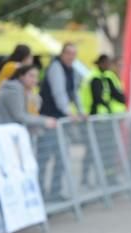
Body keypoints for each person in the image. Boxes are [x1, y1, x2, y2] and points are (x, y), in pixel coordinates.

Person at [37, 42, 84, 201]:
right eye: (69, 53)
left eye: (74, 54)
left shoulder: (72, 71)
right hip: (50, 118)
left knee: (61, 156)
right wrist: (69, 112)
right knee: (45, 157)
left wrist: (81, 111)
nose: (71, 57)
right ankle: (40, 191)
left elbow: (74, 92)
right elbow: (59, 93)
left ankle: (55, 192)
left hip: (61, 120)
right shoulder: (56, 68)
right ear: (62, 54)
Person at [79, 54, 126, 186]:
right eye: (106, 63)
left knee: (107, 149)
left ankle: (107, 178)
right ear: (99, 63)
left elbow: (115, 95)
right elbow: (98, 98)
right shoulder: (94, 78)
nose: (108, 66)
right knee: (92, 149)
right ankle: (85, 178)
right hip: (93, 120)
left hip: (103, 120)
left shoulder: (105, 77)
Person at [0, 65, 57, 130]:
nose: (35, 80)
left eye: (36, 77)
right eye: (31, 76)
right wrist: (44, 121)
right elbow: (19, 116)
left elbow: (31, 113)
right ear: (21, 76)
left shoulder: (24, 91)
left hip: (1, 130)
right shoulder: (14, 90)